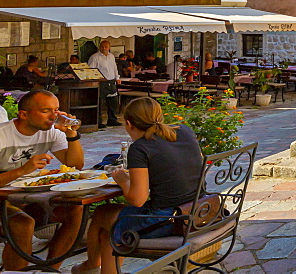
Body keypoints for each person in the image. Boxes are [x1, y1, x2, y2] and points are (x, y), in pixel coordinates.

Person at [74, 97, 204, 274]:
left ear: (128, 124)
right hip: (198, 210)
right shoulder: (184, 131)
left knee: (102, 214)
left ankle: (89, 266)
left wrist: (123, 180)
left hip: (169, 220)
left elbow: (137, 199)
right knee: (110, 230)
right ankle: (99, 269)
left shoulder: (140, 147)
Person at [0, 90, 84, 270]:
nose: (55, 116)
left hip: (21, 197)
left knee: (75, 210)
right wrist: (22, 170)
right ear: (24, 114)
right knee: (22, 224)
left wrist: (71, 134)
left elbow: (76, 165)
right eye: (46, 110)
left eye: (56, 110)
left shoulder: (50, 132)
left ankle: (50, 270)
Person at [88, 40, 120, 127]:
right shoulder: (95, 57)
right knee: (100, 102)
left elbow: (114, 67)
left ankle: (112, 120)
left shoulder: (111, 56)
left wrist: (117, 78)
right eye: (102, 47)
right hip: (101, 82)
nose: (104, 48)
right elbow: (91, 70)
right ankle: (99, 122)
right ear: (99, 47)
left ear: (109, 47)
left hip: (111, 81)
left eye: (106, 47)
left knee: (113, 101)